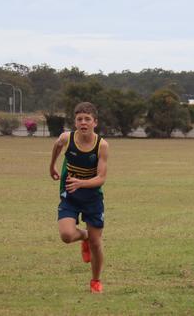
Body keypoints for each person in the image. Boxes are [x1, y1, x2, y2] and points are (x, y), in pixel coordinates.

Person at [49, 102, 109, 294]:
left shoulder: (102, 145)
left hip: (92, 198)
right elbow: (57, 145)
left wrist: (81, 183)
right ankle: (83, 235)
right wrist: (52, 166)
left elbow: (101, 178)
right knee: (66, 236)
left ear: (95, 122)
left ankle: (96, 281)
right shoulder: (67, 138)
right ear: (75, 122)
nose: (83, 122)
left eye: (87, 119)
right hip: (70, 196)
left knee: (96, 243)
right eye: (79, 119)